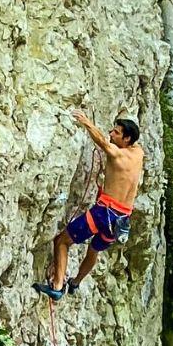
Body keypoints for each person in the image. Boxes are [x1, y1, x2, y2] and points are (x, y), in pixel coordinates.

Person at [33, 109, 143, 300]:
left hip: (104, 213)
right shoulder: (138, 153)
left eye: (116, 133)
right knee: (94, 250)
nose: (111, 134)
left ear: (126, 139)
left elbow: (101, 142)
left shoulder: (117, 155)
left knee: (62, 241)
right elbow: (114, 144)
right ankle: (75, 283)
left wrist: (86, 122)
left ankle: (58, 286)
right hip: (122, 220)